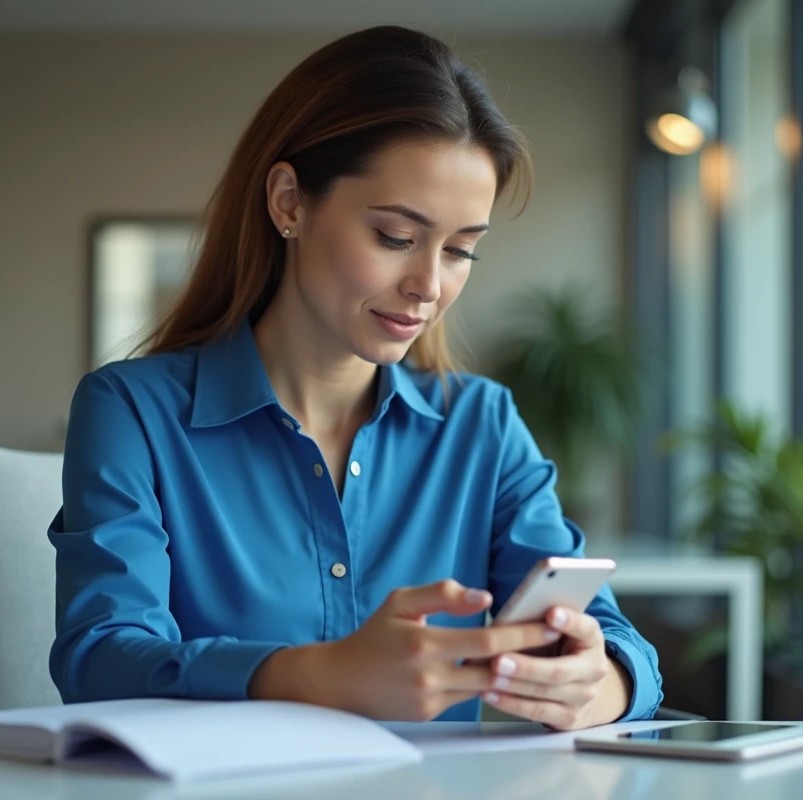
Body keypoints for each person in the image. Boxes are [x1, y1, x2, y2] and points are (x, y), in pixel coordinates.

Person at [48, 25, 662, 731]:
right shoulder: (132, 411)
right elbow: (98, 660)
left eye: (462, 251)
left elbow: (616, 644)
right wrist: (316, 674)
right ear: (288, 202)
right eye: (395, 238)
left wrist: (598, 682)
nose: (429, 285)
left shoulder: (483, 424)